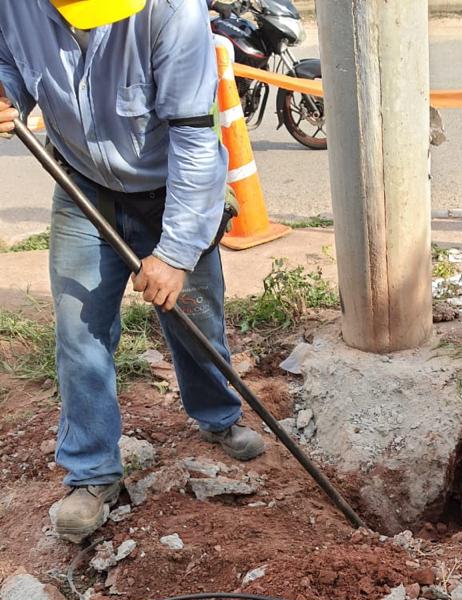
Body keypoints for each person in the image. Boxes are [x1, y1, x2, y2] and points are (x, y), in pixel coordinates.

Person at [0, 0, 265, 544]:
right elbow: (10, 60)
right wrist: (4, 93)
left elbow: (195, 139)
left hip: (171, 188)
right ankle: (92, 471)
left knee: (193, 316)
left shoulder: (171, 13)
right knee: (79, 330)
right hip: (83, 187)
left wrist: (173, 253)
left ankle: (218, 415)